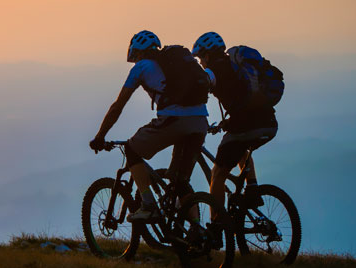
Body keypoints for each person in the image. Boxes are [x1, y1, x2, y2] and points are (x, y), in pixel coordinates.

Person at [89, 30, 209, 224]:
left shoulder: (141, 67)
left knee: (131, 149)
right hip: (200, 121)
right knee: (180, 181)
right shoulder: (174, 63)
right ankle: (197, 231)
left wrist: (100, 136)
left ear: (136, 53)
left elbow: (117, 106)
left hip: (174, 120)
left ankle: (148, 205)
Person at [191, 32, 279, 213]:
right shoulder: (235, 66)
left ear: (207, 55)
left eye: (200, 58)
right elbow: (242, 102)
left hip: (247, 126)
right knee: (239, 143)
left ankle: (216, 227)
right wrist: (227, 123)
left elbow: (199, 90)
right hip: (269, 123)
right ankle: (252, 188)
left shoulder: (213, 71)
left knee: (217, 174)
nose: (201, 62)